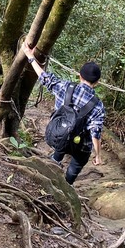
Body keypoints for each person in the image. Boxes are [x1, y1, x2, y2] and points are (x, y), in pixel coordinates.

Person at [21, 41, 105, 185]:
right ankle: (67, 185)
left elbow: (44, 77)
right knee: (77, 164)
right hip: (80, 145)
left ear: (79, 76)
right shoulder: (98, 105)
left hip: (58, 135)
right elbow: (95, 134)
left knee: (61, 145)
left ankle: (53, 168)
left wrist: (30, 56)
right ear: (97, 82)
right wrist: (98, 155)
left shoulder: (65, 87)